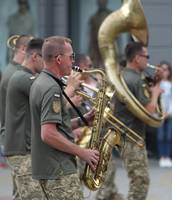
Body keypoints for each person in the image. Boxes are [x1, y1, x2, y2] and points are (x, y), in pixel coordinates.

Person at [29, 36, 99, 200]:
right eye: (71, 57)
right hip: (58, 169)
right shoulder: (51, 88)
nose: (73, 62)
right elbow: (48, 134)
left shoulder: (42, 81)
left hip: (51, 168)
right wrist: (82, 152)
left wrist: (82, 121)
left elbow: (52, 124)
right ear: (59, 59)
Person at [114, 41, 163, 200]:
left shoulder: (128, 75)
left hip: (129, 134)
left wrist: (155, 84)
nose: (148, 59)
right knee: (140, 180)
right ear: (137, 58)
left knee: (139, 179)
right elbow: (148, 110)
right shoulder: (133, 79)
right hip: (131, 136)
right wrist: (155, 93)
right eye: (146, 56)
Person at [4, 38, 45, 199]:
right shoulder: (21, 77)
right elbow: (50, 103)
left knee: (23, 195)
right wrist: (70, 88)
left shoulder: (25, 76)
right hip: (21, 148)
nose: (47, 63)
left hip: (25, 146)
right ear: (35, 56)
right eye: (45, 57)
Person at [157, 61, 172, 168]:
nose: (164, 72)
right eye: (162, 69)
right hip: (159, 115)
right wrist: (161, 112)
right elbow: (156, 99)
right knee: (161, 136)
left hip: (170, 115)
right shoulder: (156, 83)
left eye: (166, 69)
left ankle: (167, 157)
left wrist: (169, 112)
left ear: (169, 71)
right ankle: (162, 157)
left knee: (169, 137)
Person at [88, 0, 112, 67]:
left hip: (108, 46)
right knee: (96, 66)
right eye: (100, 1)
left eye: (103, 1)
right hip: (96, 47)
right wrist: (90, 51)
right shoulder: (94, 18)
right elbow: (91, 35)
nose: (101, 2)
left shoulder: (111, 16)